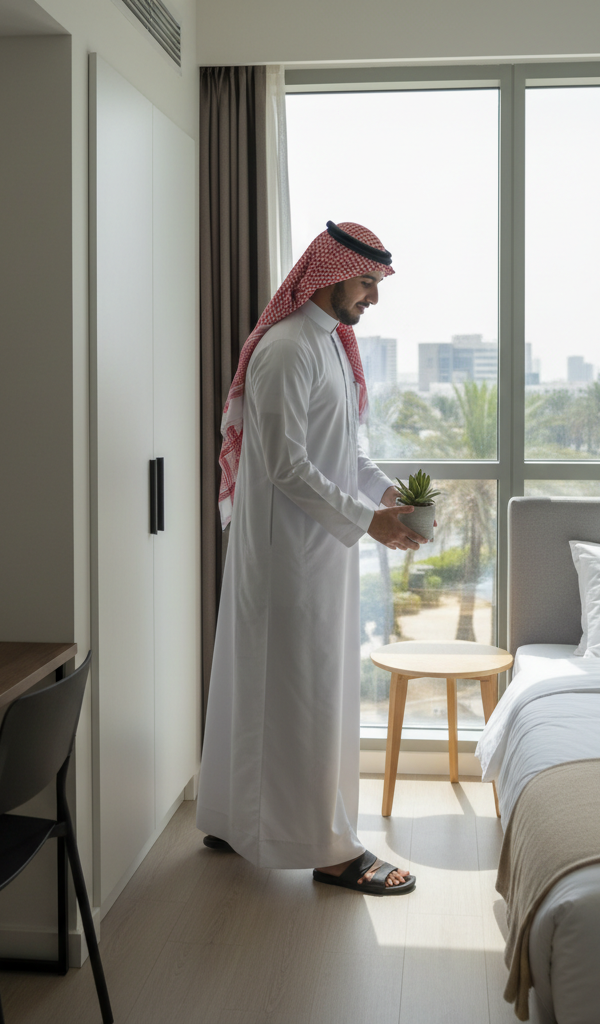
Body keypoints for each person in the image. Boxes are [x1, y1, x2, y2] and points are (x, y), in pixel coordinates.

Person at [196, 221, 427, 895]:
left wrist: (391, 497)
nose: (372, 301)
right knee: (299, 696)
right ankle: (329, 852)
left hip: (319, 549)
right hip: (283, 557)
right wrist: (370, 523)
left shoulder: (331, 346)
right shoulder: (285, 349)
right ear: (329, 276)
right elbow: (286, 466)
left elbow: (345, 456)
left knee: (276, 689)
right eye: (366, 284)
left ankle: (234, 819)